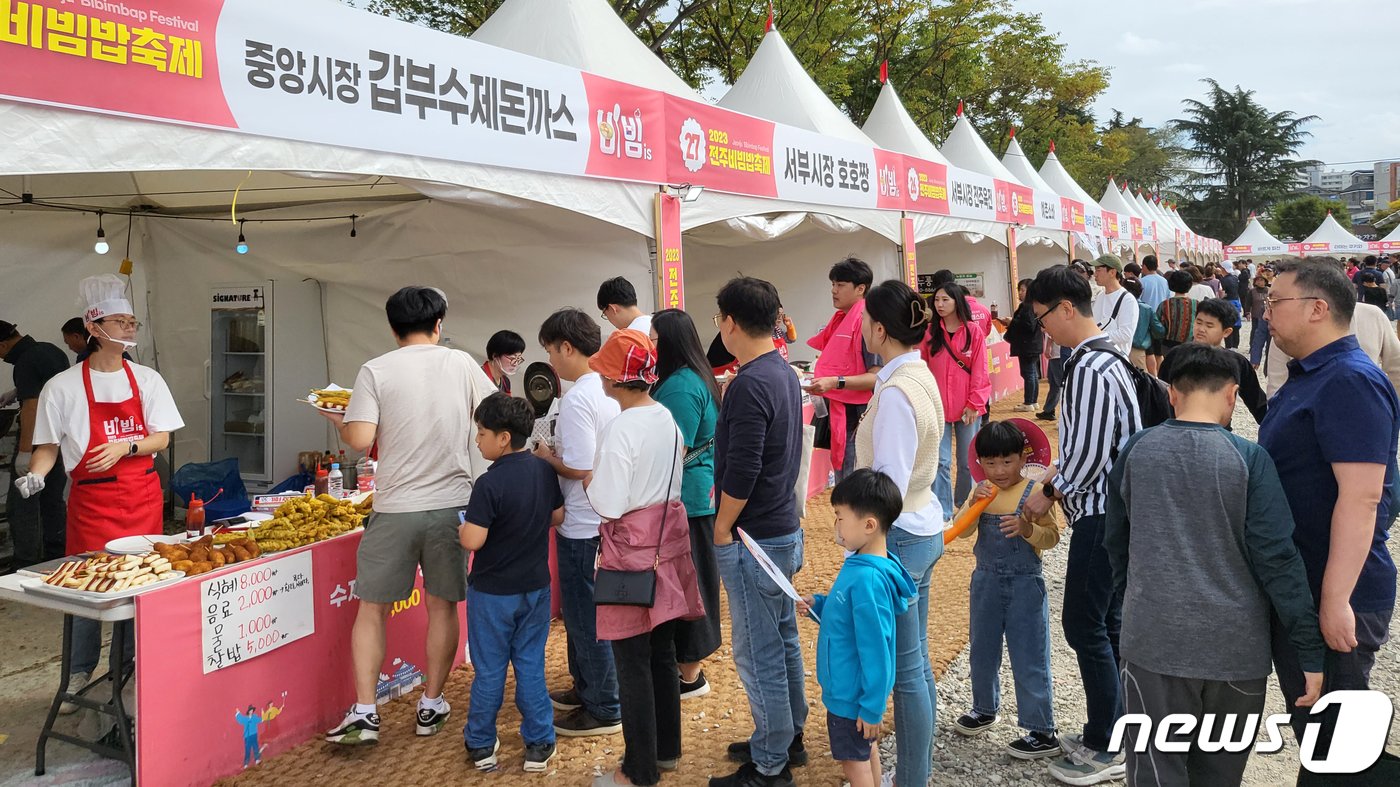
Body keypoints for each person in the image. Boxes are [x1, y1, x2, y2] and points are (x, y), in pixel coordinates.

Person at [1105, 344, 1325, 786]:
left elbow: (1117, 544)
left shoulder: (1137, 450)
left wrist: (1134, 604)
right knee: (1220, 775)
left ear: (1172, 393)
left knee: (1153, 771)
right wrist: (1309, 649)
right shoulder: (1249, 459)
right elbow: (1278, 559)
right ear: (1231, 395)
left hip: (1153, 643)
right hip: (1236, 651)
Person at [322, 286, 496, 745]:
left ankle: (364, 711)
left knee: (372, 608)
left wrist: (337, 417)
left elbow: (360, 440)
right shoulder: (461, 363)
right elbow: (495, 414)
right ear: (438, 325)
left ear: (392, 328)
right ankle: (432, 702)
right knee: (442, 605)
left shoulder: (375, 369)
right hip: (450, 506)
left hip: (394, 507)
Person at [15, 275, 183, 712]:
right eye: (120, 321)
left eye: (132, 322)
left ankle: (127, 667)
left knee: (138, 588)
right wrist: (35, 474)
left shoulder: (147, 380)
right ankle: (77, 670)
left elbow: (161, 438)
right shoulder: (63, 386)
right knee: (87, 590)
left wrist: (126, 445)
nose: (129, 329)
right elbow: (48, 446)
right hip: (91, 502)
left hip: (141, 496)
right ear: (94, 327)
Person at [1256, 258, 1399, 763]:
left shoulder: (1348, 380)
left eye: (1275, 302)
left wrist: (1336, 601)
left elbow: (1363, 496)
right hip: (1305, 585)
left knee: (1339, 745)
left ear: (1317, 308)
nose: (1265, 312)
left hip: (1335, 591)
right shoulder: (1310, 375)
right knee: (1320, 734)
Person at [1019, 265, 1143, 786]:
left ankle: (1105, 743)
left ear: (1068, 308)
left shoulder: (1090, 367)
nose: (1043, 328)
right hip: (1115, 510)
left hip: (1101, 513)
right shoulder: (1106, 357)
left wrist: (1045, 494)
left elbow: (1088, 455)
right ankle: (1112, 728)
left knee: (1084, 624)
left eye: (1043, 316)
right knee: (1108, 625)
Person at [586, 329, 705, 787]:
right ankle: (666, 751)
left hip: (630, 552)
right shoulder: (665, 418)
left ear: (615, 379)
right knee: (661, 652)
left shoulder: (621, 428)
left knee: (630, 660)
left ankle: (637, 771)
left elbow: (609, 504)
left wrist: (589, 482)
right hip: (666, 545)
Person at [709, 277, 805, 787]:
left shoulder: (750, 381)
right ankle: (787, 735)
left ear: (729, 322)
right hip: (780, 528)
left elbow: (742, 469)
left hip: (754, 537)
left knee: (759, 649)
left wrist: (723, 527)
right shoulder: (781, 371)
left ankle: (771, 763)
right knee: (781, 637)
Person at [852, 280, 944, 787]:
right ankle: (916, 772)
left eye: (866, 320)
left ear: (879, 328)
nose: (862, 327)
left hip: (901, 534)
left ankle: (912, 778)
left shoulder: (896, 393)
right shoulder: (915, 373)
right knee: (916, 664)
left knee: (906, 671)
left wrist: (863, 539)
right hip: (921, 520)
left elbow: (885, 482)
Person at [457, 393, 563, 773]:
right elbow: (558, 516)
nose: (477, 440)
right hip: (535, 587)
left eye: (481, 433)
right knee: (531, 664)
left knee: (489, 669)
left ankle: (482, 743)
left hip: (491, 593)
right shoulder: (543, 470)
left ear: (503, 438)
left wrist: (460, 528)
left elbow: (472, 541)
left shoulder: (489, 484)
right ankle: (539, 741)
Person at [951, 421, 1063, 760]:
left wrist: (1027, 528)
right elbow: (963, 531)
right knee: (981, 648)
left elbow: (1053, 537)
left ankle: (1041, 728)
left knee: (1030, 654)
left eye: (1007, 461)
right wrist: (974, 504)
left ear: (1022, 458)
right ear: (979, 463)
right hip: (984, 581)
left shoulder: (1035, 493)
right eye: (990, 463)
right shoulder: (982, 491)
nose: (999, 471)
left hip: (1025, 583)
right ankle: (984, 707)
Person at [534, 308, 623, 737]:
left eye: (551, 351)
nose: (550, 361)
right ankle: (590, 687)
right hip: (603, 519)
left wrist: (545, 457)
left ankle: (604, 705)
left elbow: (580, 465)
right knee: (587, 615)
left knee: (586, 618)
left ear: (567, 348)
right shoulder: (607, 387)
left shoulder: (578, 397)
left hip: (584, 523)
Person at [800, 470, 915, 787]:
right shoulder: (866, 564)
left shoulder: (867, 580)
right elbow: (846, 616)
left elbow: (877, 651)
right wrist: (819, 605)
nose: (835, 525)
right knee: (866, 753)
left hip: (851, 698)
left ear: (869, 525)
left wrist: (871, 707)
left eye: (839, 517)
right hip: (852, 694)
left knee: (854, 765)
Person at [649, 309, 723, 700]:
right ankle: (689, 666)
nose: (649, 344)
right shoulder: (693, 377)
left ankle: (690, 673)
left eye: (654, 337)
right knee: (695, 582)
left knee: (691, 585)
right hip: (694, 497)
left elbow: (672, 447)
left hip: (687, 500)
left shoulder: (679, 386)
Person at [805, 257, 882, 484]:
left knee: (854, 476)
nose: (833, 290)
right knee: (844, 475)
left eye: (840, 285)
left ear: (861, 288)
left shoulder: (866, 321)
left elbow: (876, 376)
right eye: (833, 284)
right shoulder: (840, 319)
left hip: (858, 414)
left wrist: (835, 382)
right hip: (839, 408)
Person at [0, 320, 69, 568]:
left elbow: (32, 406)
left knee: (23, 503)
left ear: (5, 343)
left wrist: (24, 451)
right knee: (52, 500)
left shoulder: (25, 361)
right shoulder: (49, 350)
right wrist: (17, 390)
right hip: (61, 439)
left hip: (39, 442)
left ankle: (25, 562)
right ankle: (57, 556)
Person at [923, 281, 989, 519]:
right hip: (936, 407)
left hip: (967, 407)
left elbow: (981, 371)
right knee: (940, 461)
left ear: (956, 302)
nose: (940, 305)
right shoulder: (930, 333)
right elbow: (923, 366)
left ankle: (965, 504)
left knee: (967, 461)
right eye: (937, 300)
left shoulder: (973, 331)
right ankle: (943, 510)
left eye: (945, 300)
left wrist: (975, 403)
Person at [1158, 299, 1267, 425]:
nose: (1201, 329)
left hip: (1218, 431)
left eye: (1209, 326)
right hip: (1176, 428)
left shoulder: (1237, 363)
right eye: (1199, 322)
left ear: (1227, 332)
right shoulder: (1176, 356)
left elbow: (1258, 403)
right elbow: (1161, 396)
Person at [1004, 279, 1044, 412]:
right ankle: (1033, 401)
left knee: (1029, 374)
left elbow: (1028, 325)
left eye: (1022, 290)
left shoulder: (1027, 306)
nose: (1020, 293)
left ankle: (1029, 402)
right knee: (1032, 373)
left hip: (1027, 345)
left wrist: (1012, 322)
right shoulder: (1034, 305)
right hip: (1032, 344)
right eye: (1019, 290)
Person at [1091, 255, 1138, 356]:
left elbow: (1125, 334)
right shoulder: (1100, 296)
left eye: (1098, 270)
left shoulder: (1127, 299)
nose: (1095, 274)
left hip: (1115, 359)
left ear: (1112, 272)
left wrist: (1095, 335)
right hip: (1097, 354)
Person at [929, 269, 992, 333]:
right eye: (936, 299)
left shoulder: (971, 329)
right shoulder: (929, 330)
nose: (940, 304)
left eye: (945, 299)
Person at [1118, 280, 1159, 373]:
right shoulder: (1147, 308)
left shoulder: (1118, 305)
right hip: (1138, 349)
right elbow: (1158, 329)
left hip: (1120, 346)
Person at [1137, 256, 1170, 373]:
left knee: (1148, 352)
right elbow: (1167, 298)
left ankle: (1152, 375)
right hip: (1160, 319)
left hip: (1145, 319)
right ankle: (1160, 374)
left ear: (1145, 266)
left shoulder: (1142, 282)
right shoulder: (1164, 281)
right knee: (1159, 352)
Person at [1155, 271, 1197, 351]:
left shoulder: (1164, 304)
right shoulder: (1196, 304)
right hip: (1191, 345)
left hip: (1168, 345)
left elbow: (1158, 325)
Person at [481, 330, 526, 395]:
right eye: (512, 358)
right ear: (495, 356)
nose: (515, 363)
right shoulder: (480, 377)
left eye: (518, 359)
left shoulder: (506, 381)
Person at [1217, 263, 1243, 350]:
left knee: (1228, 325)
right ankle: (1235, 346)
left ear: (1223, 269)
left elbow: (1223, 294)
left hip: (1228, 303)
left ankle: (1229, 346)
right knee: (1236, 325)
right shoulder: (1235, 278)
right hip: (1236, 302)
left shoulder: (1223, 280)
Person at [1248, 274, 1271, 369]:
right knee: (1254, 330)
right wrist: (1255, 359)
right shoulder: (1252, 291)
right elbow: (1260, 335)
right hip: (1256, 315)